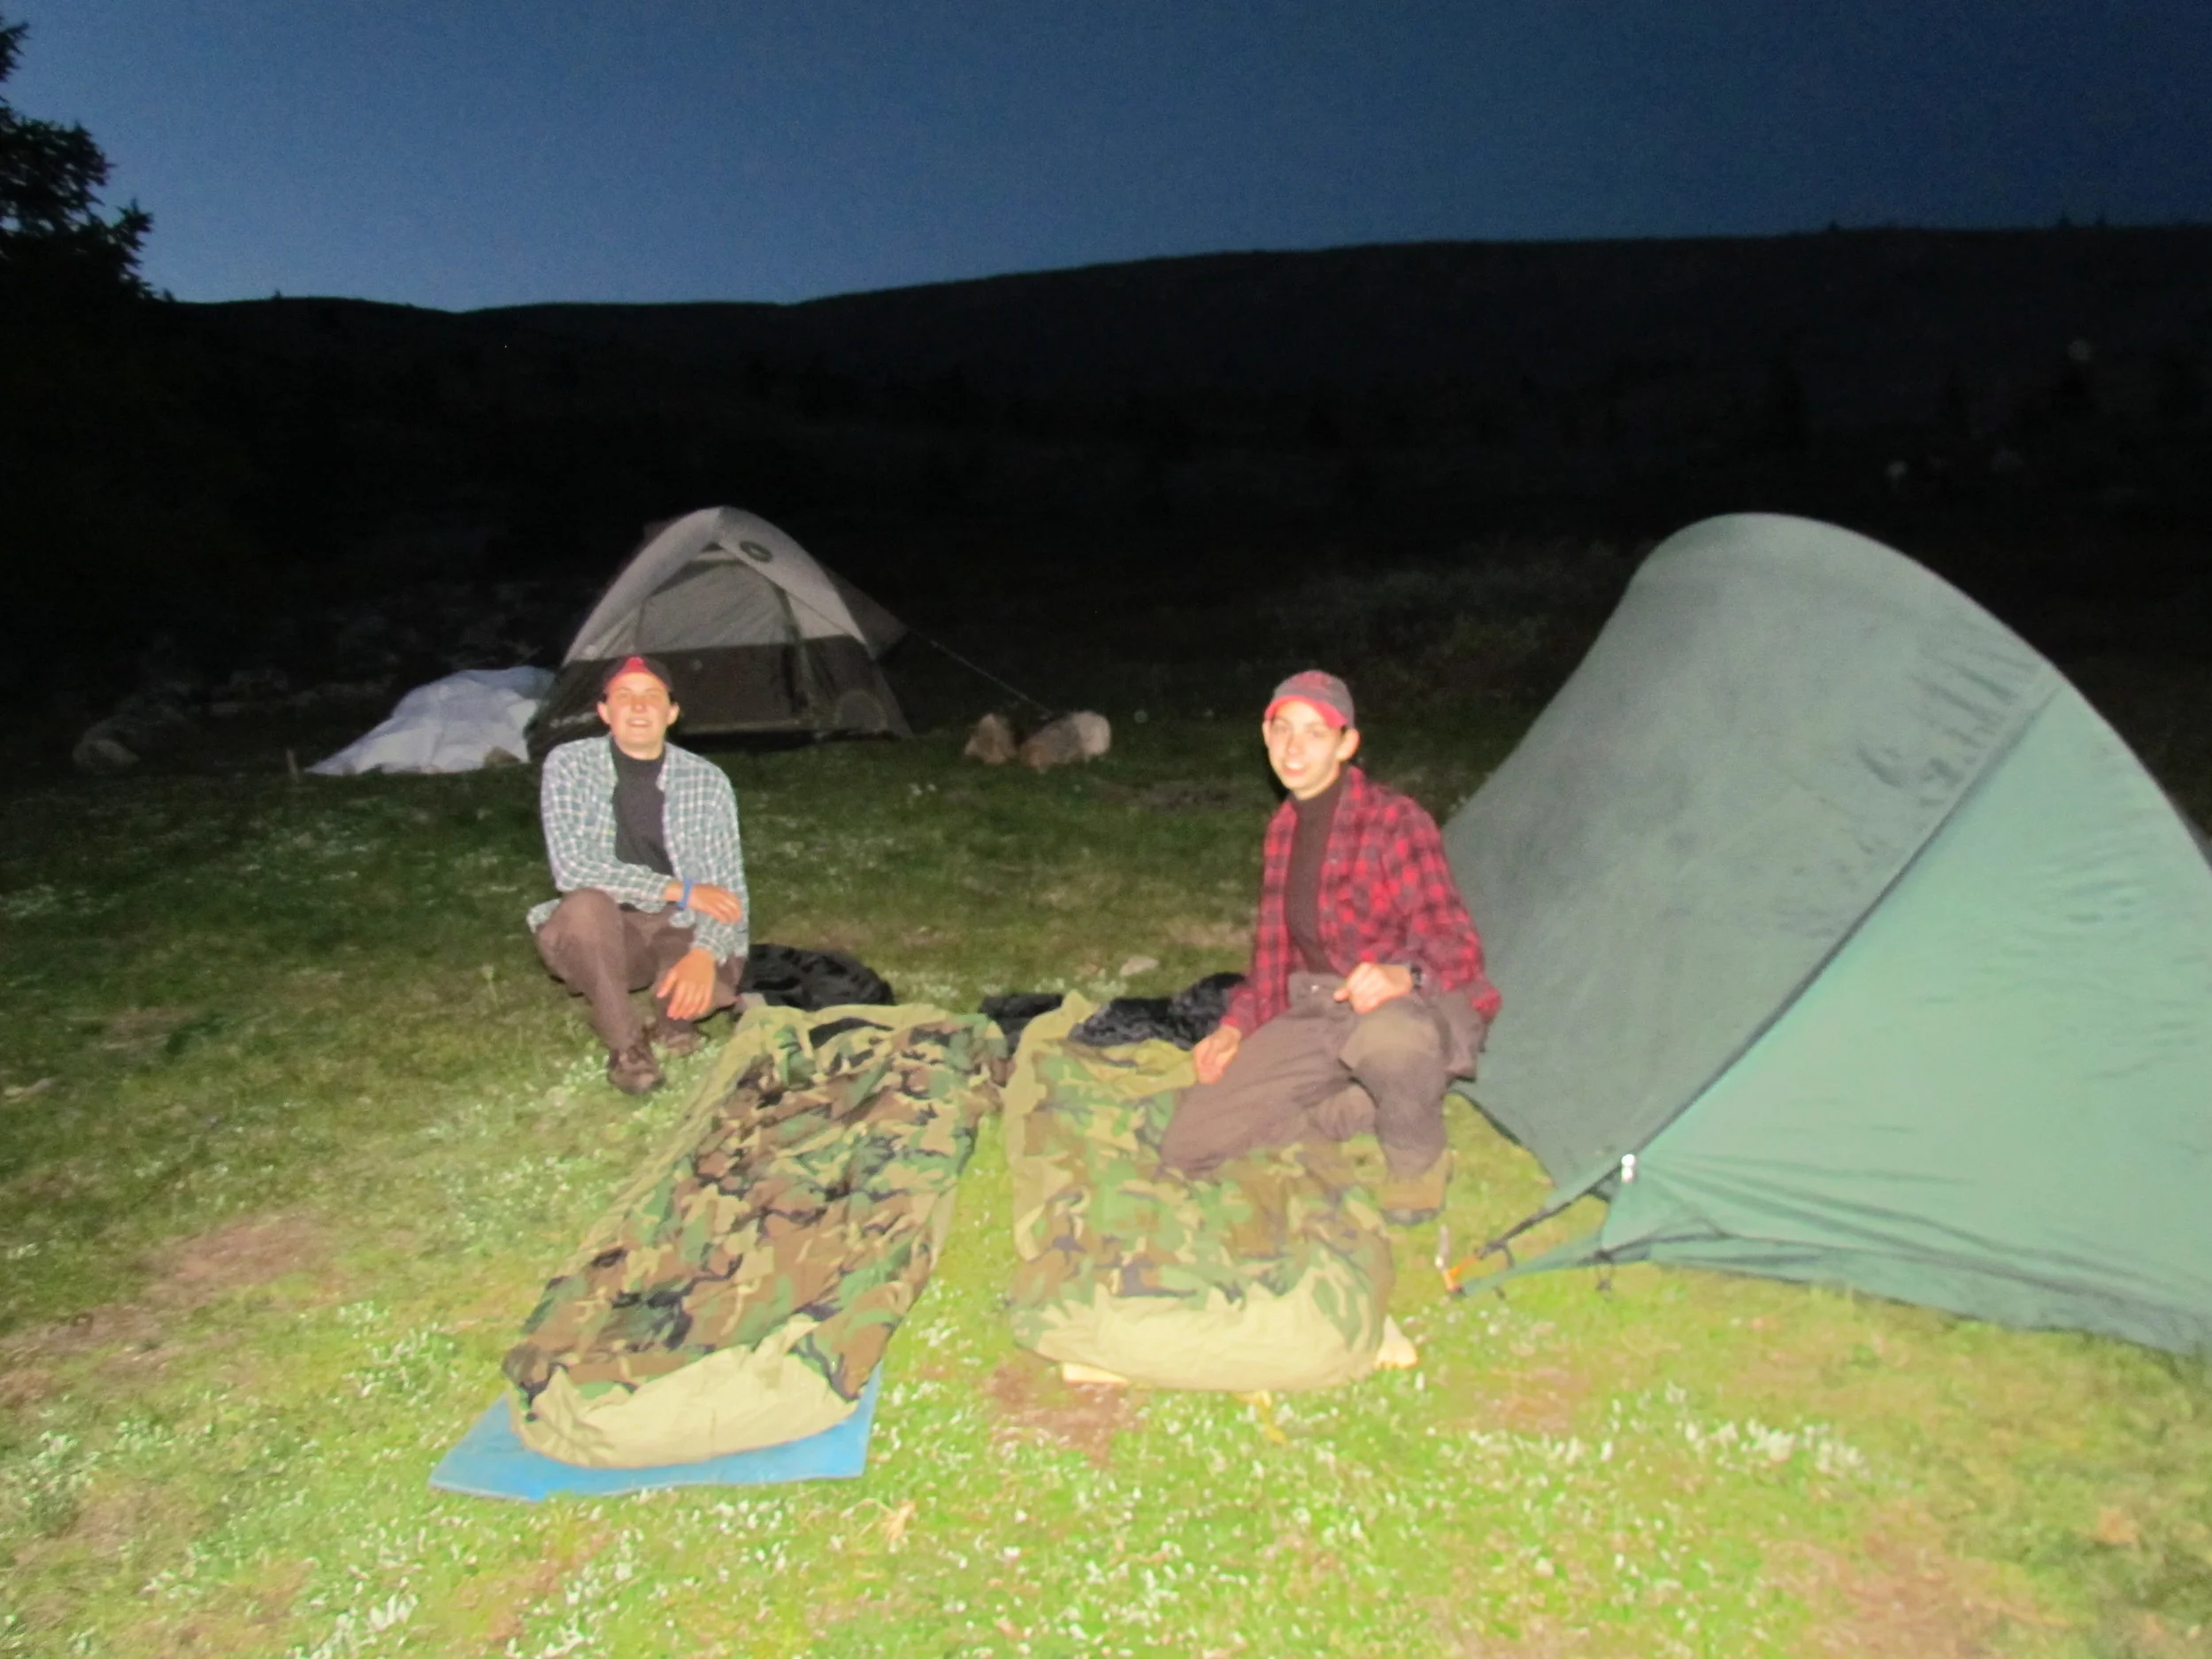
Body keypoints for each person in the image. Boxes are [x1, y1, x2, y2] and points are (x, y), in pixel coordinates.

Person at [1158, 670, 1500, 1223]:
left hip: (1408, 1008)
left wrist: (1401, 975)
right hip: (1320, 1006)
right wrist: (1234, 1028)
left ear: (1346, 744)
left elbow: (1457, 946)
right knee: (1188, 1144)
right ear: (1265, 735)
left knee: (1388, 1037)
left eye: (1316, 733)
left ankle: (1418, 1157)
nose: (1295, 748)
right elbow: (1272, 961)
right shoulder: (1284, 829)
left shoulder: (1395, 821)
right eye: (1283, 730)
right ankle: (1364, 1106)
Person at [526, 655, 749, 1094]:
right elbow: (573, 868)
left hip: (678, 924)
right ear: (605, 712)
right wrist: (679, 889)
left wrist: (705, 954)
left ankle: (671, 1021)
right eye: (624, 697)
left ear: (672, 713)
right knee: (584, 906)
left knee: (705, 987)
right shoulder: (570, 765)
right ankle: (626, 1046)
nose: (639, 707)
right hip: (611, 929)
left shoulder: (707, 781)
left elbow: (726, 888)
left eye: (652, 697)